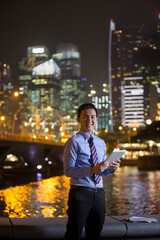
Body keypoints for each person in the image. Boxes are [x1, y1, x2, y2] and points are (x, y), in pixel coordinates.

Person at [63, 103, 121, 240]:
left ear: (97, 119)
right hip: (80, 194)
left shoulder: (101, 142)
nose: (89, 120)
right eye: (85, 117)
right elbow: (68, 171)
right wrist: (92, 169)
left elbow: (101, 172)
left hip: (99, 195)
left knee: (95, 235)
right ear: (78, 119)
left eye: (93, 117)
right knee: (73, 234)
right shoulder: (73, 142)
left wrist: (110, 169)